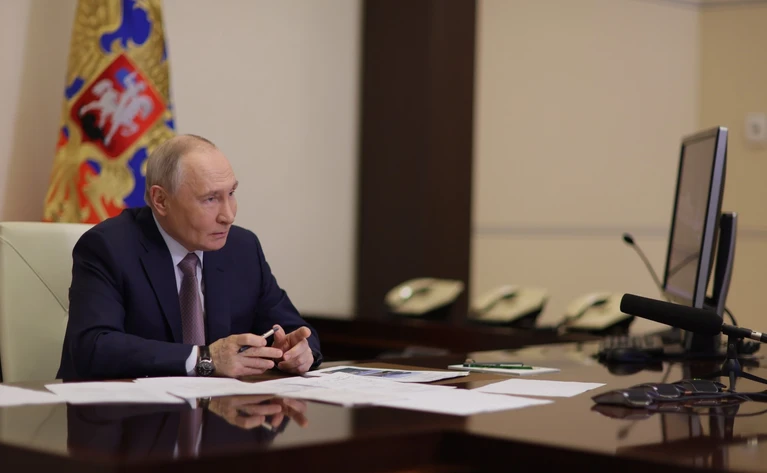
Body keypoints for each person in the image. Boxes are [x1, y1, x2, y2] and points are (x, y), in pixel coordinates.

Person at [57, 134, 322, 380]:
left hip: (220, 411)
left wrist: (298, 351)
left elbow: (292, 327)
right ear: (161, 200)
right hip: (127, 411)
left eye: (231, 193)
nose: (228, 215)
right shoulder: (109, 247)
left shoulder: (242, 248)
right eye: (210, 199)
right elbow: (93, 347)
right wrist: (205, 358)